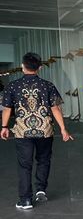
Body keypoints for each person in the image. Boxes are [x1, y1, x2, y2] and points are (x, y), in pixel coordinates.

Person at [1, 52, 74, 209]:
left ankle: (26, 200)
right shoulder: (48, 85)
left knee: (24, 165)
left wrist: (4, 127)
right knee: (44, 160)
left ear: (22, 66)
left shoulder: (12, 86)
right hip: (45, 130)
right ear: (40, 67)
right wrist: (63, 129)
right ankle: (41, 190)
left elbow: (7, 109)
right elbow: (56, 108)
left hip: (22, 131)